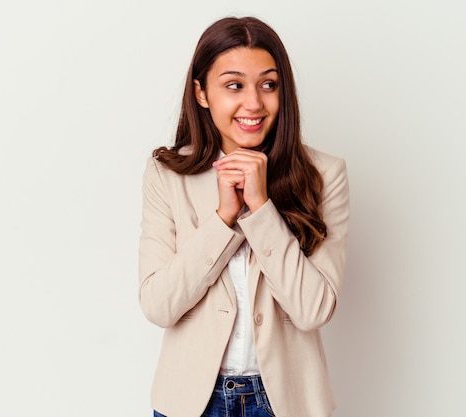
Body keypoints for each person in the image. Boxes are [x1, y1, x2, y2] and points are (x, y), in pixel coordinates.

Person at [138, 16, 350, 417]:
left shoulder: (325, 176)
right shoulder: (167, 176)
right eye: (233, 85)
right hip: (189, 403)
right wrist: (223, 218)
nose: (253, 103)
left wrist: (262, 209)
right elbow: (158, 305)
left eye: (268, 84)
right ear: (201, 93)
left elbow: (313, 310)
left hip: (288, 403)